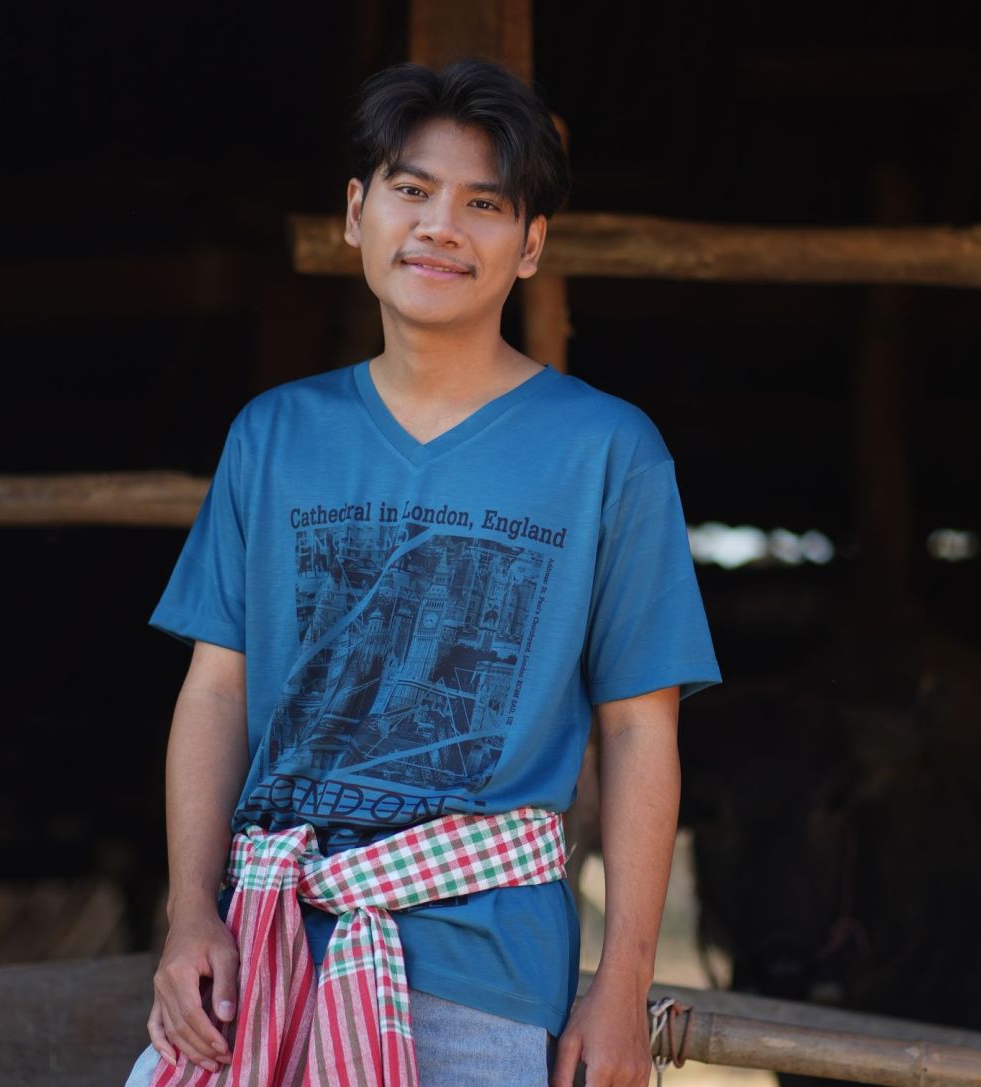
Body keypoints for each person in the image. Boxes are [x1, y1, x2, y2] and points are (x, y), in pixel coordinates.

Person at [125, 58, 720, 1087]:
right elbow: (216, 690)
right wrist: (189, 915)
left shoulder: (607, 452)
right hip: (264, 950)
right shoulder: (273, 435)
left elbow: (638, 728)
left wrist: (621, 983)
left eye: (484, 204)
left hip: (481, 979)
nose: (440, 227)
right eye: (412, 189)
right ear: (358, 214)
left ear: (531, 245)